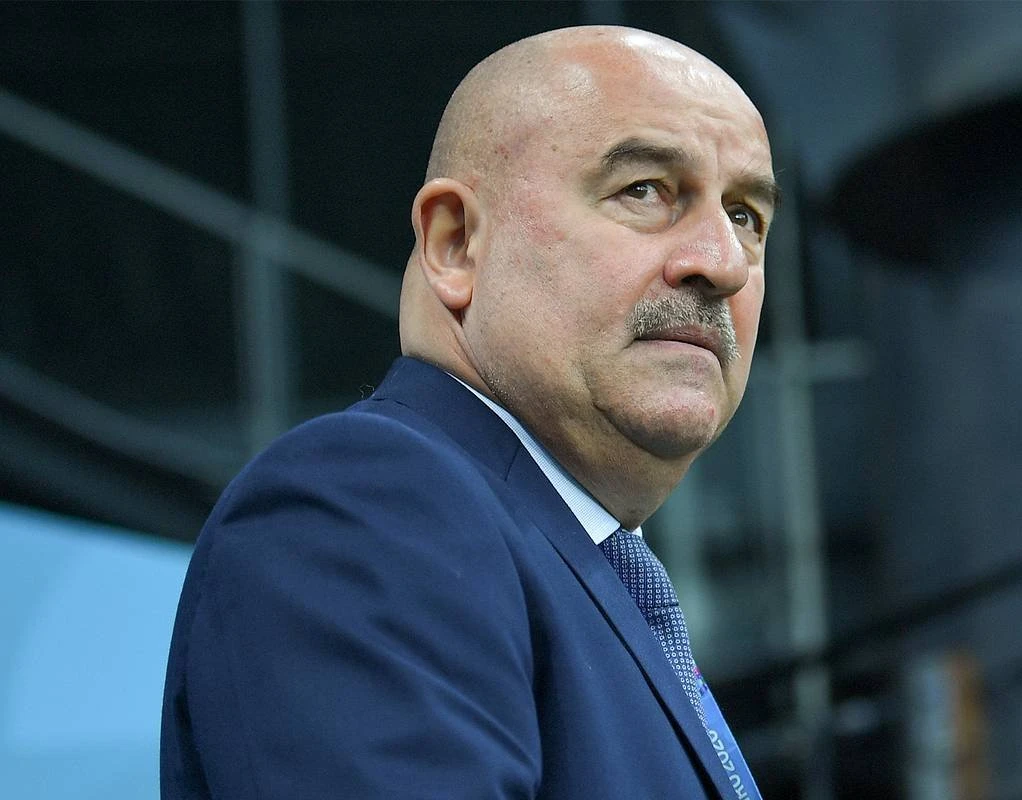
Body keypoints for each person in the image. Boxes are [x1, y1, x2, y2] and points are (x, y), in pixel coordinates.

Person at [161, 24, 778, 800]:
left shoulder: (581, 568)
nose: (722, 263)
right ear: (455, 244)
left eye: (745, 215)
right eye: (645, 190)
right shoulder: (366, 505)